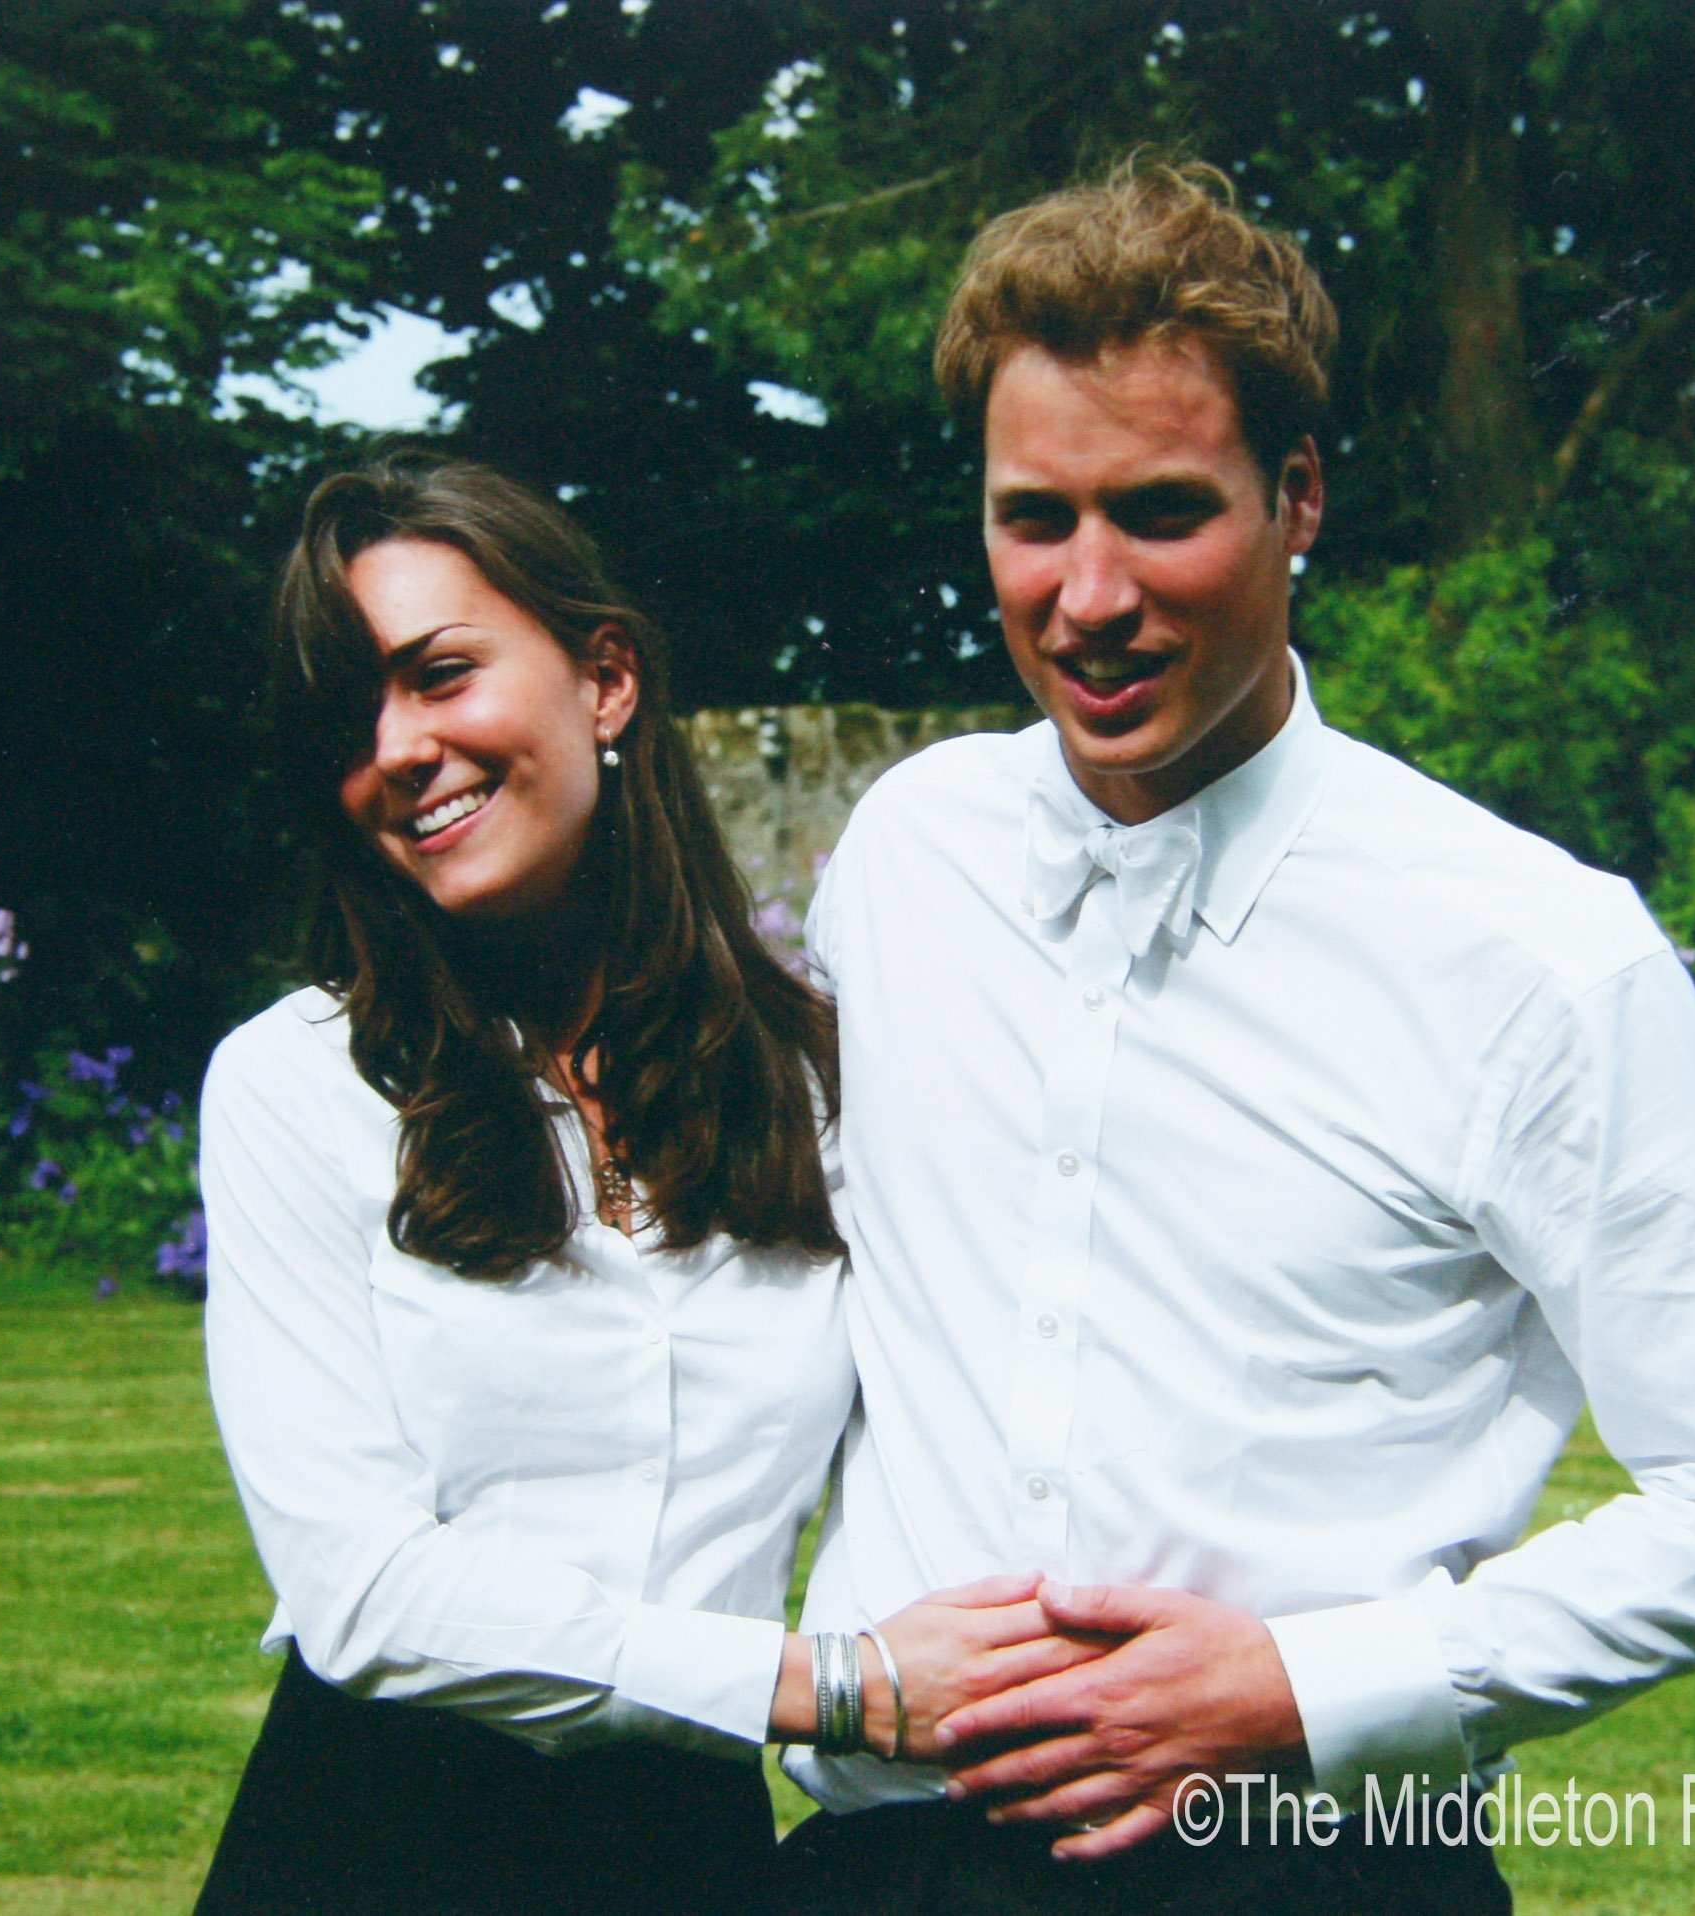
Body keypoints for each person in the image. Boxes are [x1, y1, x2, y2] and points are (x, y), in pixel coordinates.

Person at [777, 162, 1695, 1913]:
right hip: (880, 1863)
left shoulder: (1533, 953)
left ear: (1298, 500)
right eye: (1035, 517)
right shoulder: (912, 854)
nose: (1091, 592)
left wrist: (1305, 1689)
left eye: (1160, 509)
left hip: (1304, 1863)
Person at [192, 455, 1082, 1916]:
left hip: (691, 1862)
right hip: (368, 1847)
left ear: (606, 682)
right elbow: (359, 1595)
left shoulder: (823, 1087)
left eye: (439, 674)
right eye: (350, 715)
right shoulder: (301, 1086)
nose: (399, 747)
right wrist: (826, 1687)